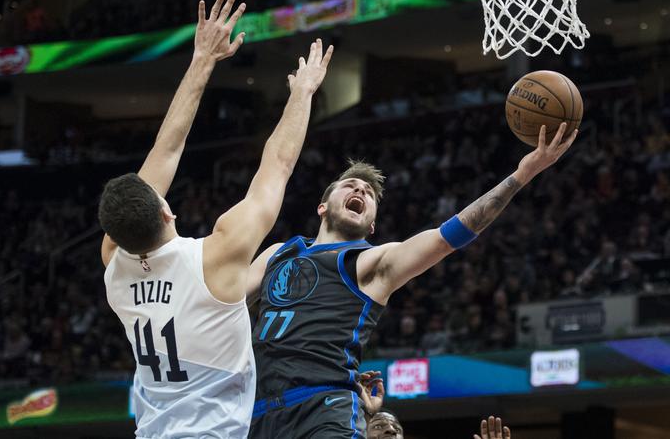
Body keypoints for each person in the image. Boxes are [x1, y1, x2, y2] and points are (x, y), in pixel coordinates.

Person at [98, 0, 334, 438]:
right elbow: (274, 166)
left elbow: (164, 154)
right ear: (167, 210)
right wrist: (301, 92)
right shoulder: (217, 254)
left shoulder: (115, 266)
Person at [247, 122, 578, 437]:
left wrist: (523, 174)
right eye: (350, 185)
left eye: (368, 193)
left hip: (322, 407)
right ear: (322, 207)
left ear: (372, 225)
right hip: (255, 411)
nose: (360, 188)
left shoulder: (372, 262)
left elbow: (449, 235)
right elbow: (225, 298)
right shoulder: (280, 252)